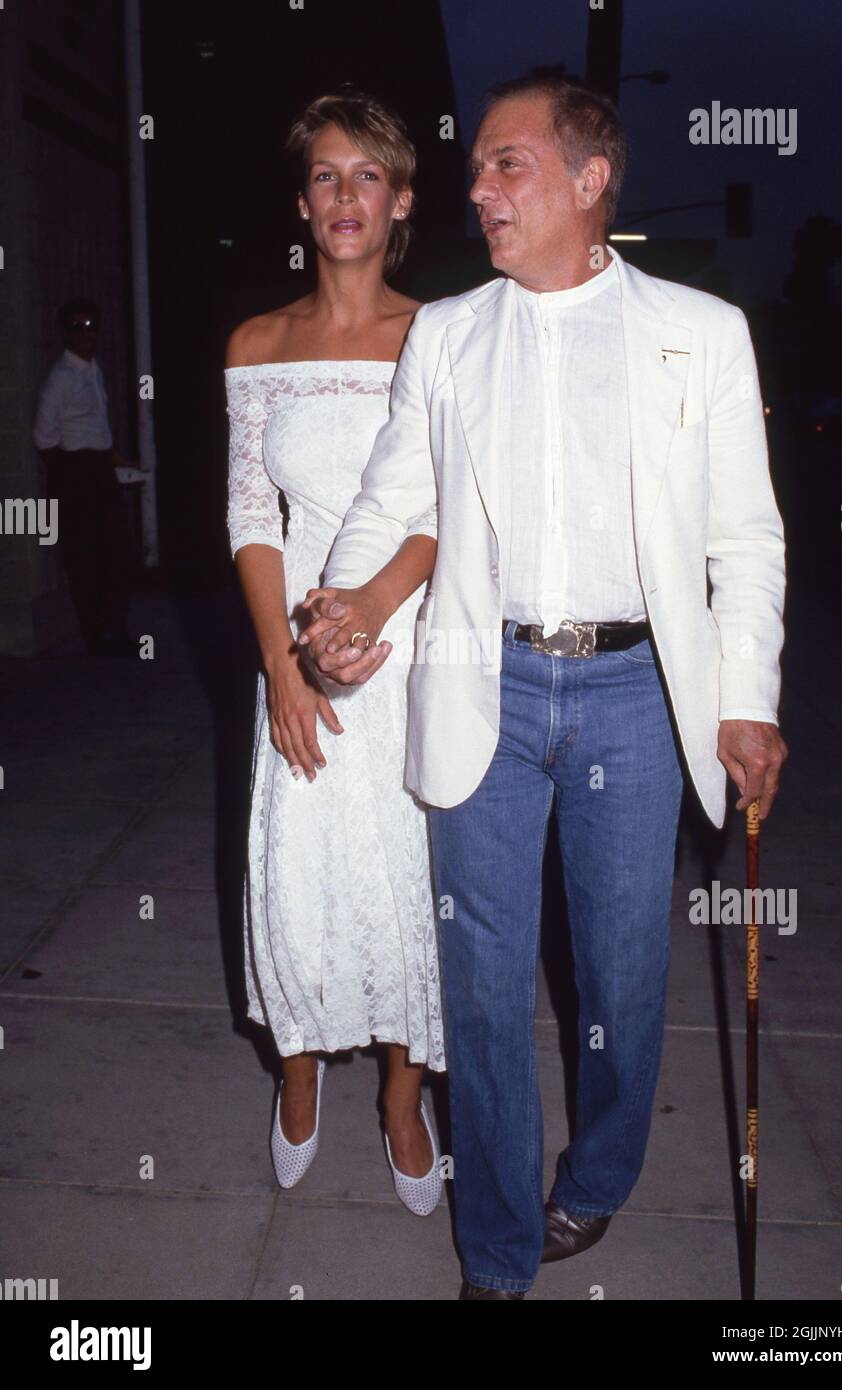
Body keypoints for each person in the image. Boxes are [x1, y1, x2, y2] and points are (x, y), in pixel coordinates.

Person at [300, 70, 788, 1297]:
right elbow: (389, 501)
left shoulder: (702, 333)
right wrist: (342, 608)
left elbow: (747, 540)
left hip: (634, 687)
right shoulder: (450, 336)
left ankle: (600, 1179)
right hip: (486, 684)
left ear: (589, 180)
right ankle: (500, 1252)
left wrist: (749, 697)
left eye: (508, 164)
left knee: (621, 976)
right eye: (478, 169)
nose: (479, 187)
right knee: (482, 983)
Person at [225, 90, 444, 1214]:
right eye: (325, 175)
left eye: (368, 177)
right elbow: (252, 517)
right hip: (298, 652)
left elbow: (450, 509)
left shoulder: (442, 336)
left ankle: (403, 1098)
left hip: (409, 648)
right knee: (302, 877)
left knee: (412, 883)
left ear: (401, 200)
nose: (344, 195)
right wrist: (283, 663)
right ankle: (300, 1069)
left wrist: (369, 611)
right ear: (303, 199)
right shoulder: (259, 345)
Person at [33, 299, 139, 656]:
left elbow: (96, 425)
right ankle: (96, 638)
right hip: (75, 473)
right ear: (66, 333)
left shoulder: (92, 369)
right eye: (77, 327)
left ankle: (117, 630)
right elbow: (44, 436)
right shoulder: (59, 379)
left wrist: (116, 460)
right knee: (85, 557)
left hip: (100, 470)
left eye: (90, 325)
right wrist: (67, 475)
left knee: (118, 552)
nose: (85, 334)